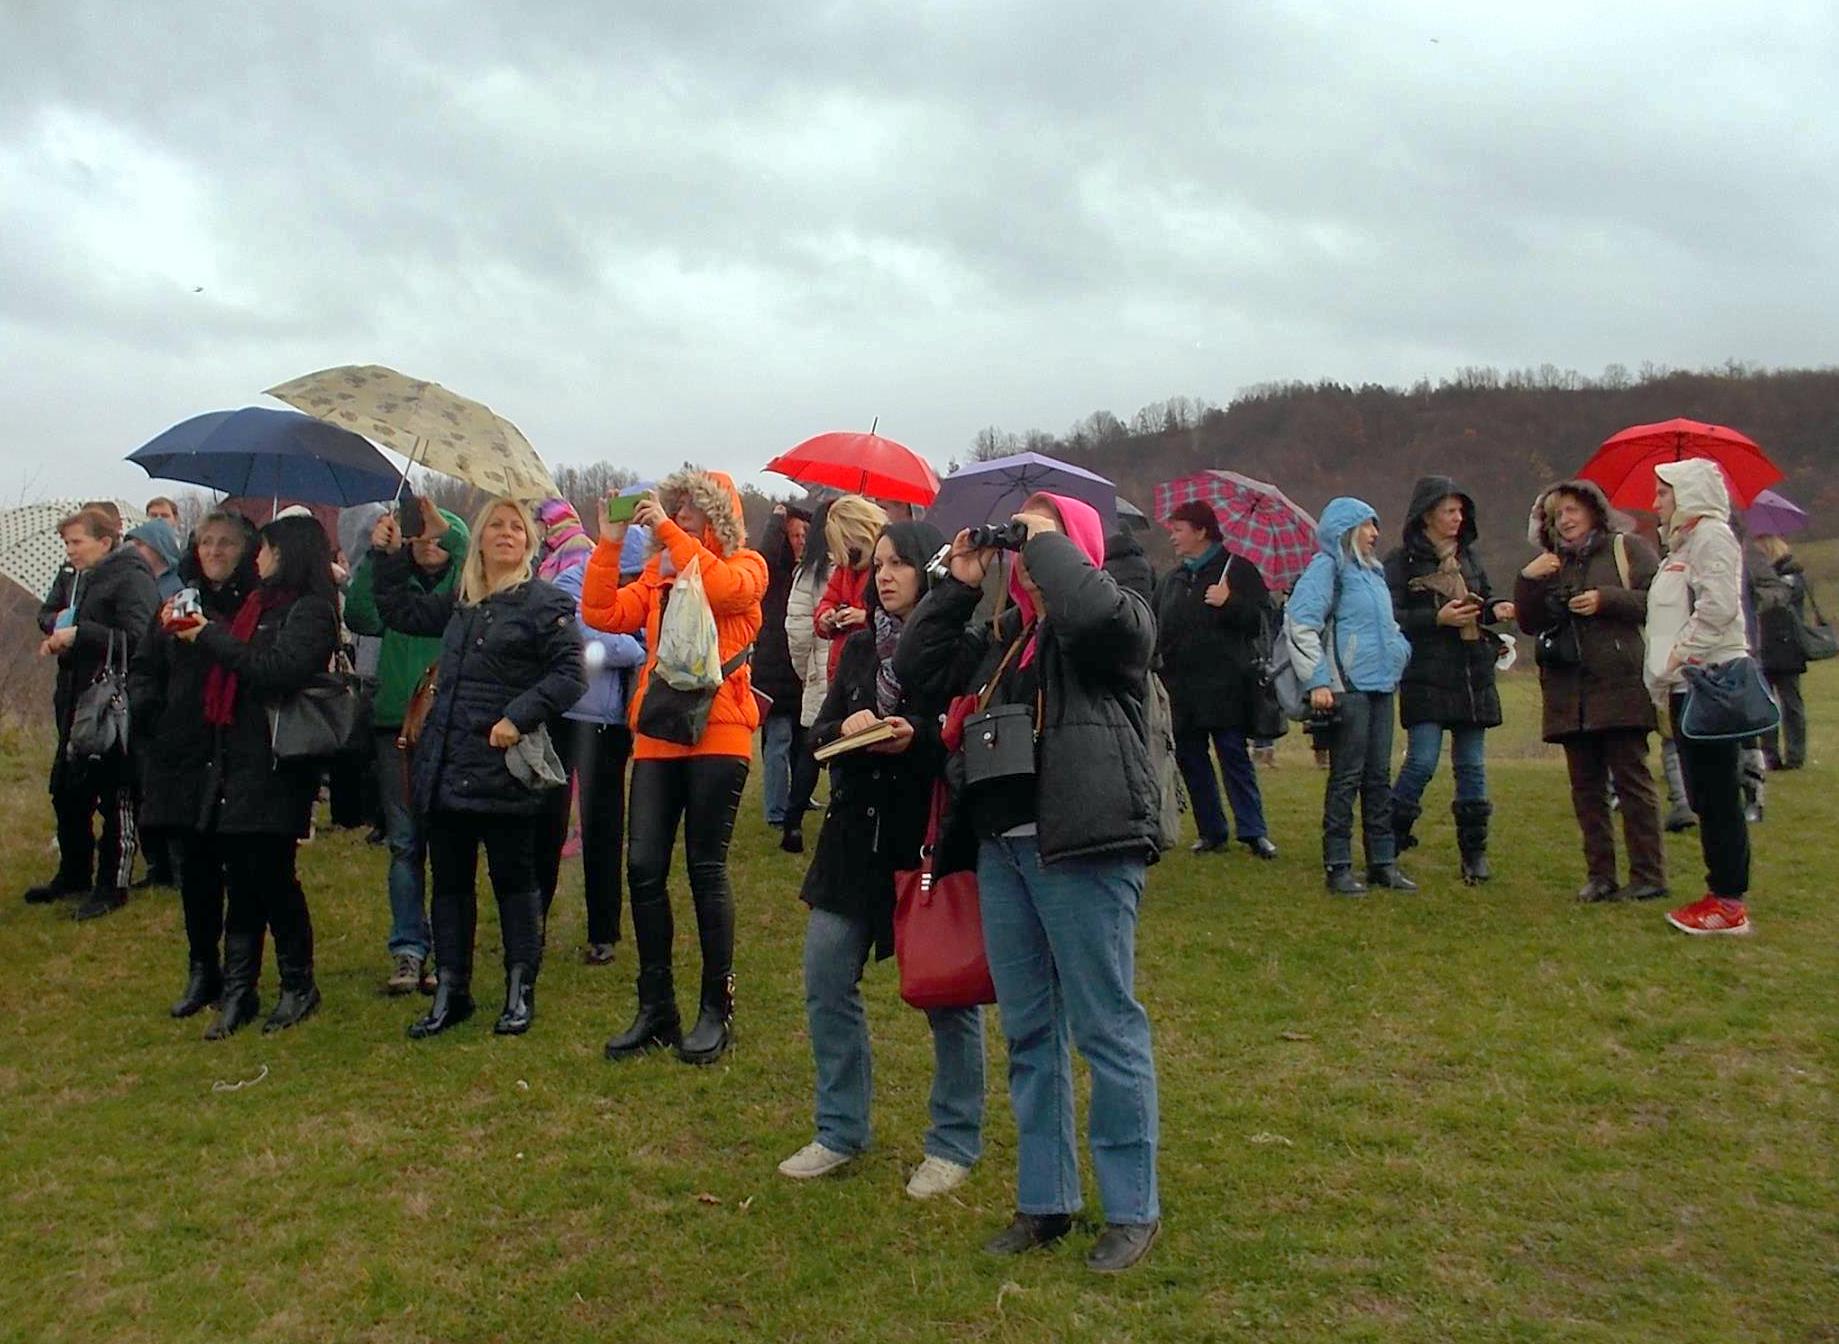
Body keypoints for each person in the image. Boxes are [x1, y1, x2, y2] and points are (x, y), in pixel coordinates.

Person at [896, 491, 1161, 1273]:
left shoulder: (1112, 621)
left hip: (1082, 844)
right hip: (1003, 850)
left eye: (1041, 536)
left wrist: (1044, 539)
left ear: (1073, 547)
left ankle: (1131, 1208)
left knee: (1105, 1028)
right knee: (1029, 1032)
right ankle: (1046, 1200)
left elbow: (1097, 615)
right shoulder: (1008, 636)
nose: (1025, 551)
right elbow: (918, 670)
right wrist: (958, 583)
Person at [778, 519, 987, 1198]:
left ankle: (952, 1142)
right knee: (825, 978)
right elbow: (816, 737)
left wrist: (914, 735)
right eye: (880, 563)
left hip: (923, 843)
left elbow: (963, 737)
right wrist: (844, 726)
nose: (886, 575)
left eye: (900, 563)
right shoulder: (863, 645)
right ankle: (840, 1130)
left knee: (947, 996)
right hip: (851, 842)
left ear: (930, 573)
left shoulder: (961, 646)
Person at [372, 496, 586, 1037]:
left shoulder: (545, 602)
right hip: (448, 763)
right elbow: (399, 612)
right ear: (481, 539)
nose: (506, 533)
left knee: (514, 882)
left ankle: (519, 990)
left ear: (530, 541)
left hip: (504, 766)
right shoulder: (462, 602)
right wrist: (390, 556)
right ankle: (452, 989)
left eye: (517, 527)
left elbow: (570, 674)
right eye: (496, 526)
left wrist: (519, 716)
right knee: (449, 883)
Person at [582, 470, 766, 1065]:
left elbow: (719, 589)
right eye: (675, 506)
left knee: (705, 868)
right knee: (643, 869)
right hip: (660, 734)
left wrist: (666, 531)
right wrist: (610, 543)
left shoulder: (747, 566)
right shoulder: (659, 574)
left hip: (720, 731)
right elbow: (601, 611)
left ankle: (717, 1008)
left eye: (691, 507)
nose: (679, 514)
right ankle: (656, 1007)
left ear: (718, 515)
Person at [175, 514, 341, 1037]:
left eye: (265, 549)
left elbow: (277, 671)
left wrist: (211, 638)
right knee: (241, 875)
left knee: (272, 874)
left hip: (279, 759)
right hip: (237, 753)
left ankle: (298, 983)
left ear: (287, 553)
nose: (257, 557)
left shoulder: (310, 610)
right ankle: (238, 989)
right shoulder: (257, 604)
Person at [128, 510, 258, 1015]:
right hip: (182, 750)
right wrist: (151, 712)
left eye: (226, 543)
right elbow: (145, 666)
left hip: (236, 749)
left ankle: (241, 976)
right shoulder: (178, 602)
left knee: (242, 869)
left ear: (244, 551)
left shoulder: (255, 604)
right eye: (207, 543)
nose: (215, 552)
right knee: (195, 869)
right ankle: (202, 967)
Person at [1515, 481, 1667, 902]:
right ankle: (1600, 876)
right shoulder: (1548, 564)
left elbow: (1660, 601)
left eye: (1571, 510)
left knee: (1632, 783)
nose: (1564, 520)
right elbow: (1528, 623)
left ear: (1593, 510)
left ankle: (1649, 875)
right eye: (1555, 515)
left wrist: (1607, 600)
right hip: (1568, 689)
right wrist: (1527, 581)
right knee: (1586, 790)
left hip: (1619, 682)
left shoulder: (1627, 548)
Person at [344, 504, 471, 994]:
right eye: (422, 536)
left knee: (448, 841)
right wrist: (376, 557)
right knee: (404, 842)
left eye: (440, 537)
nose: (430, 543)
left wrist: (447, 529)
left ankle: (447, 948)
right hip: (394, 725)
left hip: (450, 725)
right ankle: (408, 948)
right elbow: (360, 615)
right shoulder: (395, 585)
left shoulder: (462, 590)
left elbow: (470, 563)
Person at [24, 508, 160, 919]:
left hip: (116, 702)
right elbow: (53, 615)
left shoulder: (131, 577)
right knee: (68, 790)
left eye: (76, 542)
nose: (70, 550)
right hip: (77, 696)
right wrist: (62, 636)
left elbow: (140, 638)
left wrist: (81, 635)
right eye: (66, 543)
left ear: (104, 541)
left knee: (117, 794)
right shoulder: (81, 577)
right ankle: (74, 873)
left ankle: (112, 885)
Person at [531, 497, 646, 966]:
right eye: (625, 576)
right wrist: (632, 647)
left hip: (610, 726)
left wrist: (626, 638)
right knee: (547, 824)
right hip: (563, 715)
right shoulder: (574, 578)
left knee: (605, 829)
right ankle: (532, 923)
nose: (628, 585)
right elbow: (578, 632)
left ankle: (604, 932)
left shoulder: (643, 586)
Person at [1383, 477, 1514, 884]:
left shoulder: (1468, 557)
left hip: (1472, 672)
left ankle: (1474, 854)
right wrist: (1436, 618)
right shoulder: (1400, 562)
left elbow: (1483, 597)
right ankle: (1388, 841)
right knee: (1422, 760)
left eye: (1460, 511)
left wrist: (1495, 609)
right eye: (1449, 511)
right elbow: (1390, 617)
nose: (1458, 519)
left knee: (1472, 765)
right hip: (1425, 672)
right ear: (1427, 515)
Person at [1647, 461, 1754, 936]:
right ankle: (1720, 893)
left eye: (1663, 493)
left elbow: (1719, 608)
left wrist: (1679, 655)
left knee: (1717, 792)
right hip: (1683, 685)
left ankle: (1729, 902)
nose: (1655, 503)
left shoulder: (1712, 536)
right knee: (1702, 793)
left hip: (1708, 682)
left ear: (1688, 494)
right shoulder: (1682, 545)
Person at [1287, 498, 1414, 896]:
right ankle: (1338, 864)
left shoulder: (1373, 573)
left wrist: (1400, 652)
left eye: (1375, 525)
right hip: (1348, 689)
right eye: (1367, 525)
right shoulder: (1327, 568)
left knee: (1378, 777)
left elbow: (1388, 626)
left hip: (1381, 686)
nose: (1375, 533)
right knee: (1346, 777)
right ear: (1346, 529)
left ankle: (1382, 862)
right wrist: (1318, 681)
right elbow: (1301, 623)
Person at [1153, 500, 1277, 859]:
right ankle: (1211, 831)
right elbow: (1159, 625)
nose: (1173, 537)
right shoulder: (1173, 580)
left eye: (1178, 530)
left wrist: (1231, 602)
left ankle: (1254, 831)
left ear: (1201, 531)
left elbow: (1260, 622)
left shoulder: (1238, 570)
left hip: (1226, 687)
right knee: (1192, 760)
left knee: (1234, 756)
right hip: (1182, 688)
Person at [781, 500, 835, 854]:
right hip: (825, 671)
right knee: (818, 751)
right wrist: (808, 671)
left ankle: (793, 824)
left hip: (822, 672)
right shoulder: (818, 572)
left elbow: (797, 631)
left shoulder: (812, 572)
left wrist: (807, 671)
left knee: (811, 752)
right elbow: (799, 630)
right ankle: (795, 823)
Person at [754, 502, 813, 829]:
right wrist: (778, 515)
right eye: (794, 535)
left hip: (798, 670)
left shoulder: (806, 575)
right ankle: (776, 809)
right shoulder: (773, 574)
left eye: (805, 534)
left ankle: (797, 797)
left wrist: (804, 512)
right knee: (778, 741)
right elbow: (765, 553)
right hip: (773, 669)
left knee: (801, 741)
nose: (801, 540)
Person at [1752, 533, 1811, 770]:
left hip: (1786, 646)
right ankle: (1770, 754)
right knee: (1768, 703)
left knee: (1790, 703)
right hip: (1766, 646)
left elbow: (1778, 601)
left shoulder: (1790, 575)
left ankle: (1795, 754)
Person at [813, 495, 888, 680]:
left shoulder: (885, 569)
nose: (845, 548)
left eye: (846, 541)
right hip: (842, 666)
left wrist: (865, 617)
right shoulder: (844, 569)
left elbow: (897, 617)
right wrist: (826, 617)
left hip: (871, 665)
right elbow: (828, 600)